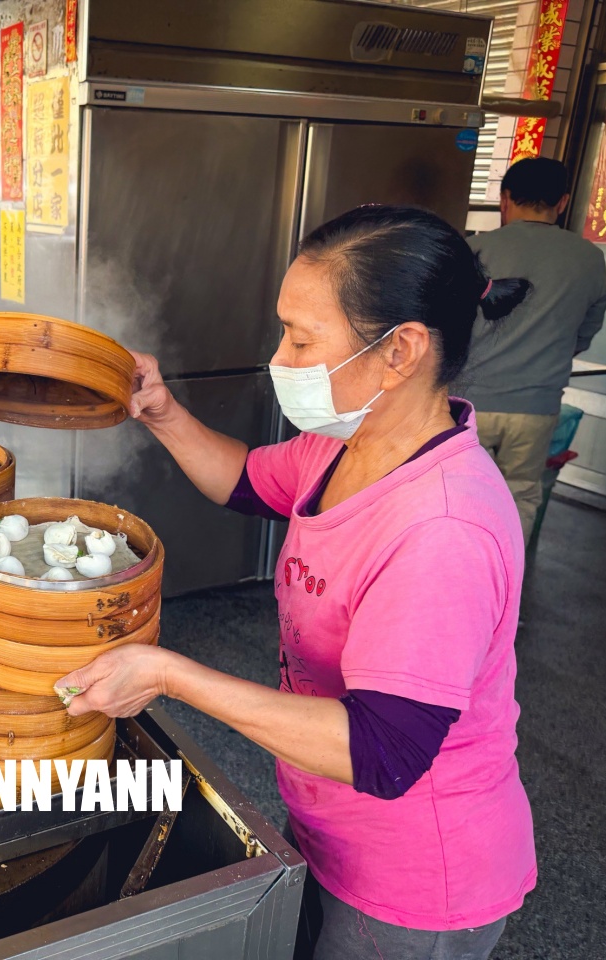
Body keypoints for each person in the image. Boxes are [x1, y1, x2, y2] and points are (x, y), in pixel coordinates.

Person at [57, 206, 537, 960]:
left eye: (301, 339)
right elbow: (246, 480)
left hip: (415, 880)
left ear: (400, 350)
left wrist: (171, 675)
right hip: (329, 827)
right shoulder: (346, 443)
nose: (280, 357)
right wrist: (163, 413)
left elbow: (382, 751)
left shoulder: (444, 529)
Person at [456, 157, 606, 544]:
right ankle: (506, 574)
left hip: (468, 401)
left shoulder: (474, 249)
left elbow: (447, 325)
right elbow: (587, 328)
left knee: (457, 489)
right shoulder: (588, 257)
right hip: (536, 406)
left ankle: (457, 568)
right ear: (563, 201)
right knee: (521, 494)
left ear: (505, 198)